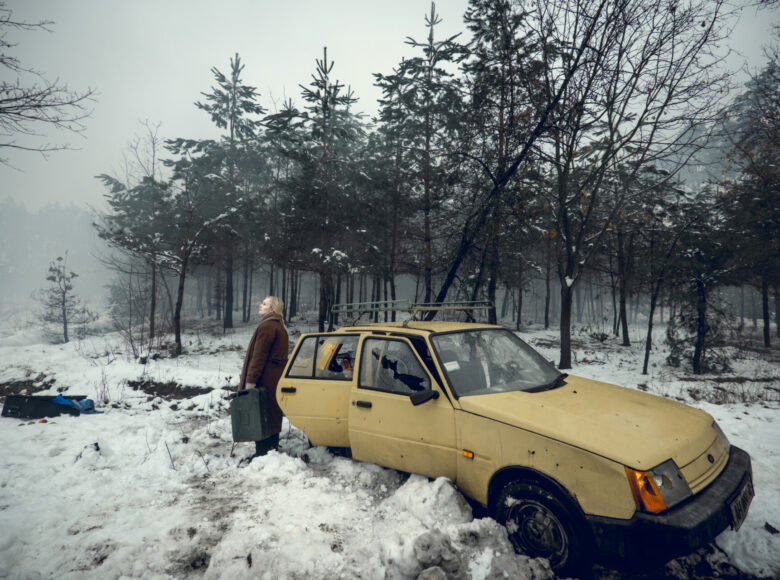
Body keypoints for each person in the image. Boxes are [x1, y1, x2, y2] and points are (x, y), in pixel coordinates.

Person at [238, 296, 289, 456]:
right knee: (272, 414)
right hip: (275, 379)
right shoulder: (279, 326)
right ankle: (272, 448)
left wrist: (250, 381)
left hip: (264, 380)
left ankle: (262, 452)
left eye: (264, 304)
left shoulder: (267, 327)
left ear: (272, 309)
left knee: (260, 413)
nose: (260, 305)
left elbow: (258, 357)